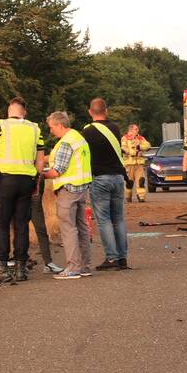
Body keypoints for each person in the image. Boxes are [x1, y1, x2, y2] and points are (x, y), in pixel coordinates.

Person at [0, 97, 45, 287]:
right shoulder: (35, 128)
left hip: (6, 180)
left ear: (9, 110)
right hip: (27, 181)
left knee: (1, 222)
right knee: (21, 224)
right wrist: (36, 178)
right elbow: (40, 161)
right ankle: (20, 268)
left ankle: (1, 267)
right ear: (24, 112)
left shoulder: (1, 125)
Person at [42, 111, 93, 279]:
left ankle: (73, 267)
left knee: (68, 228)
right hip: (81, 188)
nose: (51, 131)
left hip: (68, 189)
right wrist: (45, 158)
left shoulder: (66, 142)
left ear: (59, 125)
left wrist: (40, 173)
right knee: (81, 227)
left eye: (51, 127)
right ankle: (84, 265)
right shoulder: (78, 138)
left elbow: (57, 171)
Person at [82, 98, 130, 270]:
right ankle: (123, 257)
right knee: (119, 219)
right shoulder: (115, 128)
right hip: (117, 178)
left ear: (90, 112)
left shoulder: (87, 131)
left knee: (104, 220)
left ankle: (111, 258)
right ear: (106, 111)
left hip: (100, 179)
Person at [121, 124, 151, 204]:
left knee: (141, 181)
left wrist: (139, 147)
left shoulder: (140, 138)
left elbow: (147, 145)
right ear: (131, 130)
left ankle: (141, 197)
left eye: (137, 129)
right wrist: (132, 152)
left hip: (139, 164)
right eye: (136, 129)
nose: (137, 130)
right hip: (129, 164)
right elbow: (123, 148)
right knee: (129, 182)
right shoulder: (125, 138)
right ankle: (128, 197)